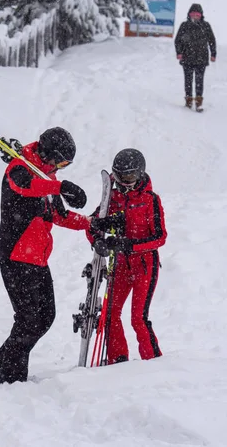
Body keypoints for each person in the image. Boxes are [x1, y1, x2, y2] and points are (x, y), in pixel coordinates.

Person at [0, 127, 91, 384]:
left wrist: (91, 222)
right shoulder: (19, 168)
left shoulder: (47, 176)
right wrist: (59, 186)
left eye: (65, 165)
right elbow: (26, 186)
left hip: (37, 259)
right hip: (16, 256)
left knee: (45, 317)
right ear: (50, 153)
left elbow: (58, 216)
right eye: (60, 161)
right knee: (29, 319)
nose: (61, 168)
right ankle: (12, 378)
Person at [88, 149, 167, 365]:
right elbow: (92, 223)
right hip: (121, 264)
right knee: (110, 314)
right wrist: (98, 241)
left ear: (140, 174)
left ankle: (153, 362)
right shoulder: (112, 198)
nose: (125, 182)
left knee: (138, 319)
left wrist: (129, 245)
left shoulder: (150, 200)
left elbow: (160, 237)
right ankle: (118, 361)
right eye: (121, 177)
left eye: (130, 177)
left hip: (144, 265)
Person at [174, 3, 217, 111]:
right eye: (193, 14)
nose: (195, 16)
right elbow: (177, 40)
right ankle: (188, 100)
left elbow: (212, 40)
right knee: (188, 81)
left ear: (201, 15)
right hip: (187, 58)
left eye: (197, 14)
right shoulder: (184, 25)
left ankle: (198, 103)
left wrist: (213, 54)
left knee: (199, 81)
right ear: (189, 15)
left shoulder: (206, 26)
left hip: (201, 58)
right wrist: (179, 52)